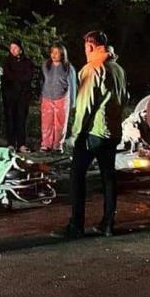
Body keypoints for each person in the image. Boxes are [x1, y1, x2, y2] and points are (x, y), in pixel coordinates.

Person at [54, 30, 128, 239]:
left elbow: (85, 105)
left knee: (77, 175)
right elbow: (124, 98)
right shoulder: (118, 69)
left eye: (86, 46)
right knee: (108, 177)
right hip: (113, 132)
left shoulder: (92, 69)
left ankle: (76, 225)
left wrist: (75, 135)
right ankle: (107, 224)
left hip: (92, 133)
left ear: (90, 46)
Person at [40, 44, 76, 152]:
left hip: (62, 97)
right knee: (46, 122)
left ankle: (57, 145)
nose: (54, 55)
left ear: (62, 54)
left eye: (57, 53)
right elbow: (41, 81)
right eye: (52, 52)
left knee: (60, 123)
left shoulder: (68, 67)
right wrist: (40, 96)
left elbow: (73, 85)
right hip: (47, 96)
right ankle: (46, 144)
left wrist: (72, 102)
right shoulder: (45, 65)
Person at [1, 39, 34, 152]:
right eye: (11, 48)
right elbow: (7, 76)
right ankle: (11, 143)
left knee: (21, 119)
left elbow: (28, 77)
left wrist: (18, 78)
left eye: (15, 48)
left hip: (23, 95)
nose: (13, 50)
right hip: (9, 95)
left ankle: (21, 144)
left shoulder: (27, 62)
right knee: (10, 118)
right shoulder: (7, 62)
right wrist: (17, 78)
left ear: (20, 49)